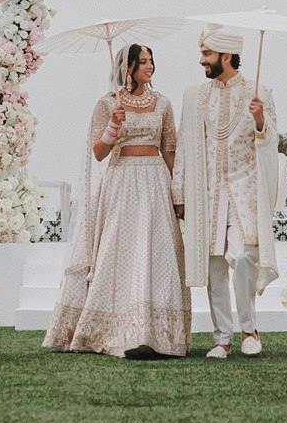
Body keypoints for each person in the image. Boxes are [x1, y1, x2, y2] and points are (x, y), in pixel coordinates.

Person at [44, 43, 191, 357]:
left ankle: (156, 335)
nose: (150, 67)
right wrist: (113, 126)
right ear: (128, 68)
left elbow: (170, 150)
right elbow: (98, 153)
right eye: (143, 62)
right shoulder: (107, 104)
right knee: (119, 251)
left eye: (152, 61)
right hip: (121, 180)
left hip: (155, 182)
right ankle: (118, 331)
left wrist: (178, 194)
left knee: (158, 250)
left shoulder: (163, 104)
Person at [176, 26, 280, 359]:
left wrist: (261, 119)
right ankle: (222, 338)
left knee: (246, 254)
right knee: (214, 263)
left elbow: (269, 141)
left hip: (244, 188)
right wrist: (179, 192)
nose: (201, 61)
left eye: (206, 54)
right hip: (206, 191)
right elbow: (183, 145)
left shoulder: (258, 91)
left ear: (226, 56)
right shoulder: (195, 95)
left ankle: (250, 329)